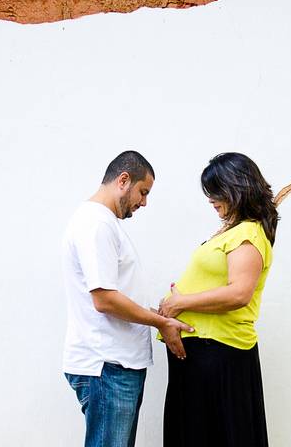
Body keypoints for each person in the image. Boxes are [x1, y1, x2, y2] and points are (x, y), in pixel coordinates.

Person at [62, 150, 194, 447]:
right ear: (123, 180)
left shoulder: (103, 223)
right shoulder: (96, 224)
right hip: (107, 366)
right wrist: (160, 323)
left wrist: (157, 313)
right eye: (143, 192)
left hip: (115, 366)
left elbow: (116, 293)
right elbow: (105, 299)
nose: (143, 203)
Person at [158, 152, 279, 447]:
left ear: (236, 188)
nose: (210, 199)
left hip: (219, 352)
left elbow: (239, 293)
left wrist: (179, 303)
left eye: (215, 191)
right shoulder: (232, 231)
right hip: (202, 355)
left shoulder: (248, 233)